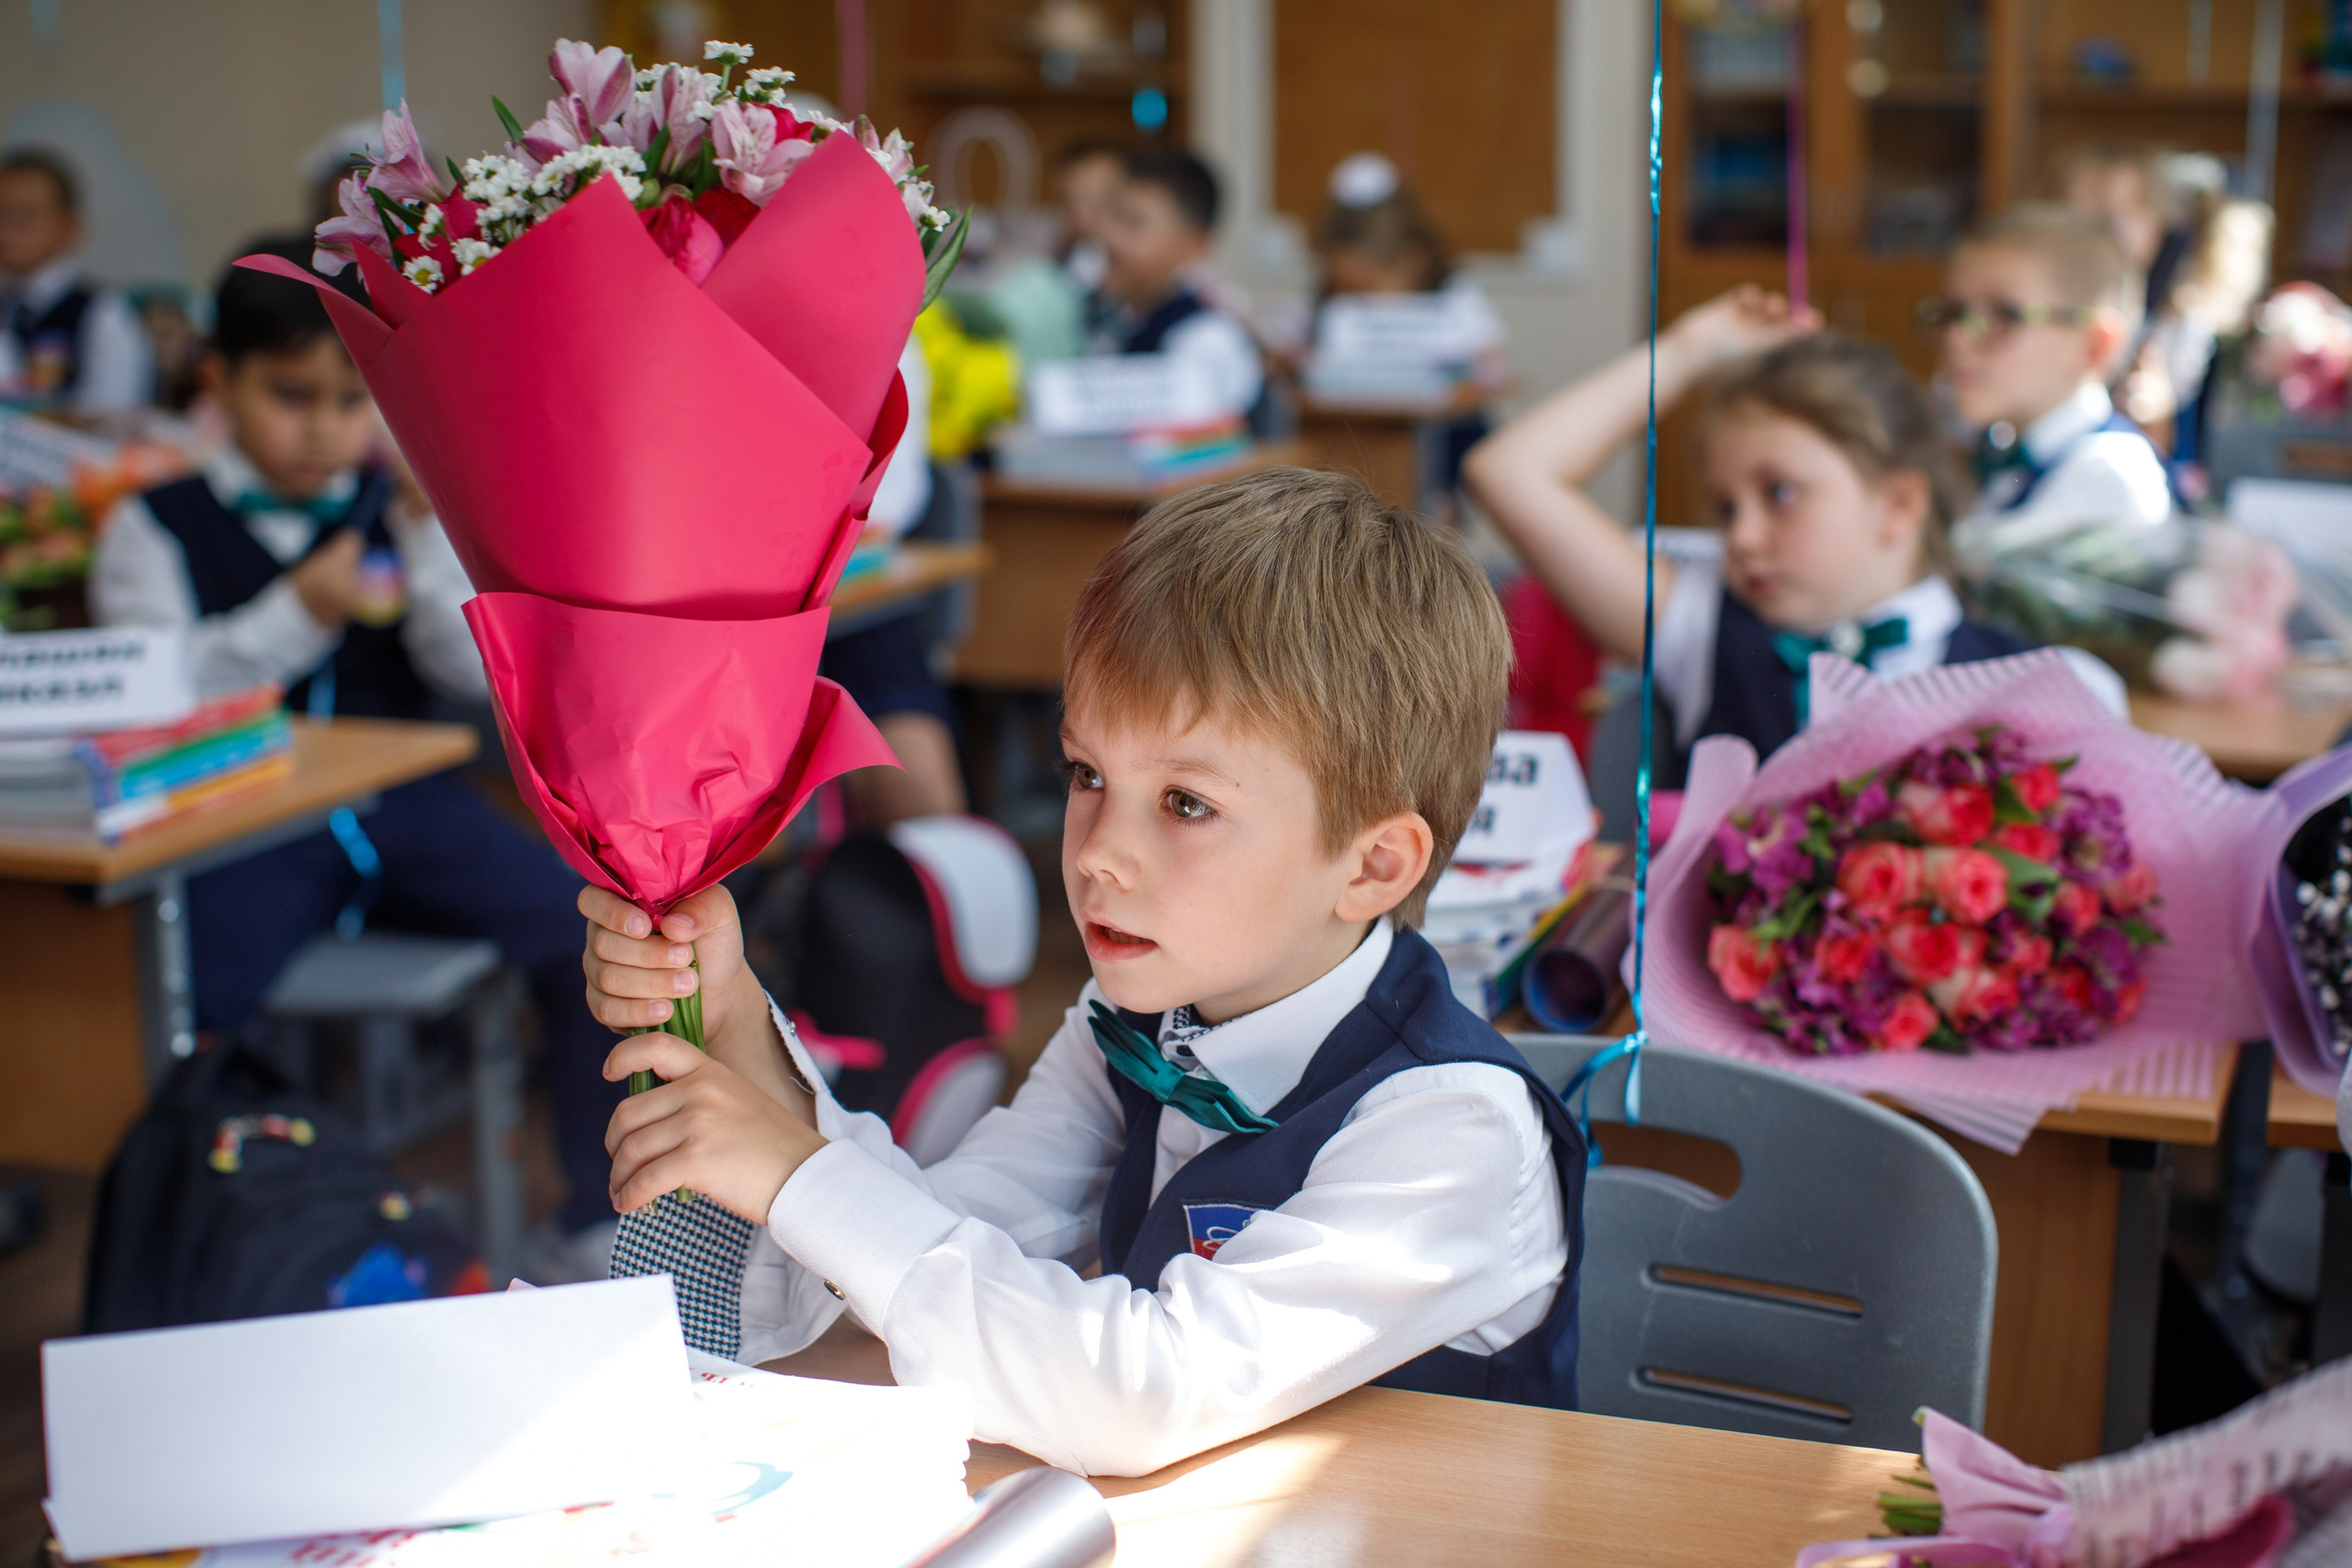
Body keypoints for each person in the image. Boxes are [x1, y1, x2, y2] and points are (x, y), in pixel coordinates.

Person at [582, 468, 1586, 1476]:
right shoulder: (1135, 1017)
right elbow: (951, 1235)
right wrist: (737, 1021)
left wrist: (797, 1172)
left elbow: (1140, 1393)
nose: (1098, 851)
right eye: (1086, 775)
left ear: (1373, 866)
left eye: (1185, 803)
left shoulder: (1454, 1132)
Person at [89, 242, 623, 1277]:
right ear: (219, 381)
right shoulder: (152, 526)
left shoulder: (396, 502)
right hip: (239, 827)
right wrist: (297, 614)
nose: (325, 430)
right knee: (192, 1008)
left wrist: (432, 553)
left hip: (402, 810)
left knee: (583, 930)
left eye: (349, 401)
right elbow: (156, 690)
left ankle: (593, 1219)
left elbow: (468, 679)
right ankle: (238, 1248)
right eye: (292, 397)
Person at [1466, 287, 2071, 766]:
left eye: (1780, 493)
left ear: (1899, 502)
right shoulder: (1701, 626)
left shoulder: (2026, 679)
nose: (1743, 538)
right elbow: (1508, 472)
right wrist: (1688, 348)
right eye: (1726, 508)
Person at [1928, 204, 2174, 569]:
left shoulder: (2106, 474)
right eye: (1953, 313)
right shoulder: (2000, 452)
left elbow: (1976, 571)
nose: (1956, 339)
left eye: (2002, 316)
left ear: (2095, 346)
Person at [818, 336, 967, 827]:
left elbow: (896, 496)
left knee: (918, 794)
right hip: (705, 626)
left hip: (852, 606)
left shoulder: (889, 327)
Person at [2054, 141, 2271, 462]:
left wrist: (2157, 413)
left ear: (2164, 229)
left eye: (2109, 218)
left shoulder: (2181, 326)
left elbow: (2180, 458)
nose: (2086, 236)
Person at [1086, 147, 1263, 421]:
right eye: (1112, 216)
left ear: (1193, 244)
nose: (1111, 237)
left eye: (1134, 224)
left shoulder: (1206, 341)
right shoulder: (1112, 319)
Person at [0, 147, 153, 415]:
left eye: (22, 218)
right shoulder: (7, 304)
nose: (5, 230)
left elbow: (113, 414)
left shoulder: (102, 312)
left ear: (69, 229)